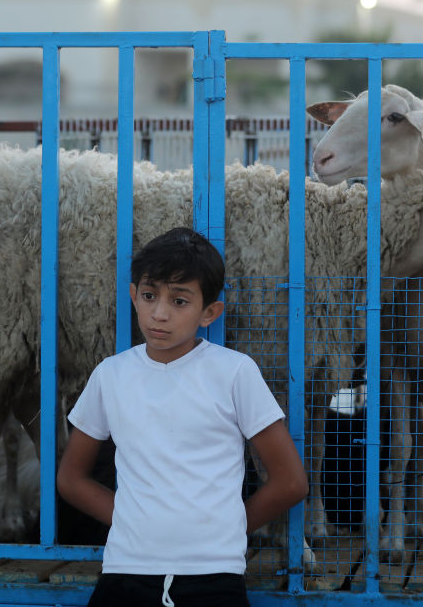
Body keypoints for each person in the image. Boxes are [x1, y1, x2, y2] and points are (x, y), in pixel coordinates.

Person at [56, 226, 308, 607]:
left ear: (210, 313)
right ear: (133, 296)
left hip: (214, 578)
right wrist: (133, 521)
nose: (159, 313)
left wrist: (227, 528)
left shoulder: (234, 372)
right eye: (149, 295)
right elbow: (71, 479)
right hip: (126, 572)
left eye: (179, 301)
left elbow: (290, 482)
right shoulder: (111, 375)